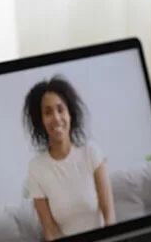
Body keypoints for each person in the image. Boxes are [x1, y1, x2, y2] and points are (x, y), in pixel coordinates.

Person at [23, 76, 115, 240]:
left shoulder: (90, 152)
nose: (56, 118)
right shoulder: (36, 168)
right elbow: (50, 232)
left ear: (70, 114)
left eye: (61, 109)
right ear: (41, 120)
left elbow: (110, 216)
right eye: (48, 112)